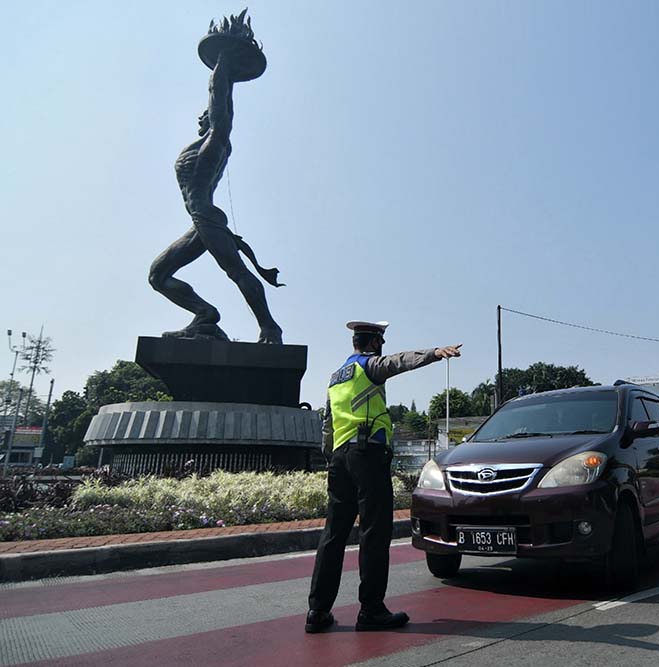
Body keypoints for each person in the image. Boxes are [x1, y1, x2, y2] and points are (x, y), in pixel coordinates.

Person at [305, 321, 461, 633]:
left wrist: (333, 458)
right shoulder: (369, 366)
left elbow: (327, 425)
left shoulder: (336, 377)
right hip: (367, 456)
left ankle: (317, 611)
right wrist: (434, 353)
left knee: (333, 534)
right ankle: (371, 610)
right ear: (375, 343)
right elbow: (399, 362)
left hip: (339, 459)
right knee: (374, 532)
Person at [148, 48, 283, 344]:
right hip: (199, 221)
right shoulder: (202, 145)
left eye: (206, 113)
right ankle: (205, 314)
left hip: (207, 217)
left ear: (215, 117)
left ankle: (270, 328)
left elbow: (219, 97)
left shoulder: (215, 142)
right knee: (158, 276)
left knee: (237, 272)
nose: (201, 116)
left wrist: (222, 63)